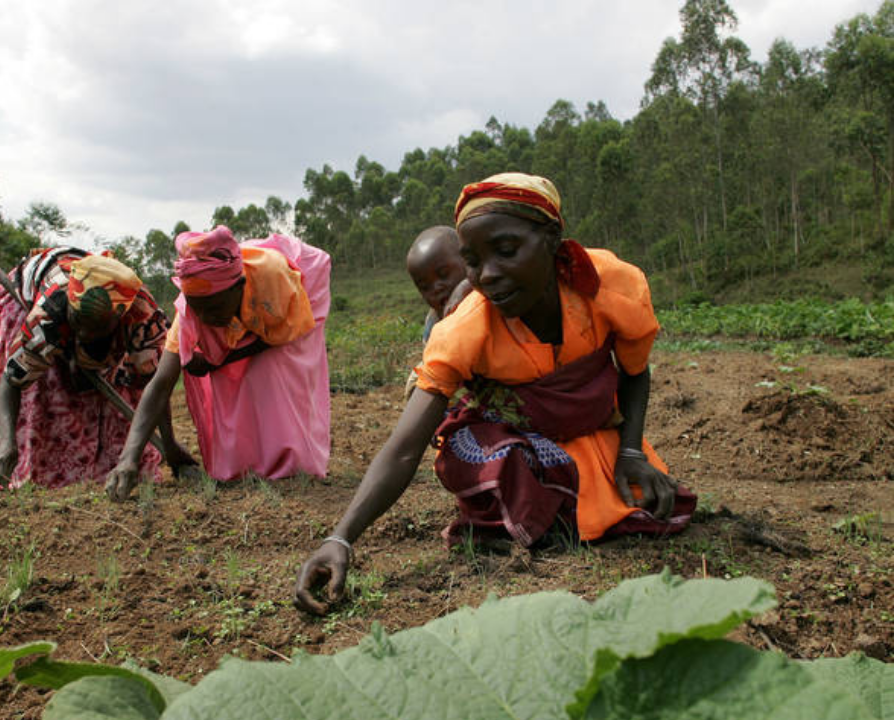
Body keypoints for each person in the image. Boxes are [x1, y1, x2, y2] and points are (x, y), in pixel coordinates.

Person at [295, 172, 696, 614]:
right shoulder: (467, 326)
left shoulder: (609, 286)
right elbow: (405, 448)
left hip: (594, 432)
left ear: (552, 239)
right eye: (472, 260)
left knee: (645, 504)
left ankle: (571, 501)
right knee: (477, 454)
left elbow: (634, 372)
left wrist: (633, 452)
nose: (487, 275)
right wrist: (340, 538)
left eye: (506, 251)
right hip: (519, 441)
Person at [105, 226, 331, 501]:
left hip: (296, 299)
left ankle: (293, 460)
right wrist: (129, 457)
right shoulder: (191, 313)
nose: (205, 318)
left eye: (213, 308)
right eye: (197, 308)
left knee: (270, 371)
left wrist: (219, 360)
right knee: (228, 382)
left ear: (239, 288)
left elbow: (282, 334)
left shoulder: (271, 280)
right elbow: (161, 383)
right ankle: (242, 465)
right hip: (250, 305)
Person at [0, 247, 191, 489]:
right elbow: (12, 380)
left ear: (118, 319)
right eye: (78, 324)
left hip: (100, 321)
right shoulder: (49, 315)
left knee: (120, 391)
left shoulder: (142, 318)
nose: (83, 334)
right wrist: (5, 441)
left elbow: (155, 386)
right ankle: (40, 477)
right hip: (33, 298)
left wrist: (170, 444)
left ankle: (117, 468)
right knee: (48, 396)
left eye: (94, 329)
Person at [403, 226, 472, 399]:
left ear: (468, 260)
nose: (437, 288)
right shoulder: (434, 321)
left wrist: (466, 286)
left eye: (443, 274)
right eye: (425, 287)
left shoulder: (488, 294)